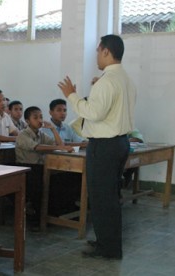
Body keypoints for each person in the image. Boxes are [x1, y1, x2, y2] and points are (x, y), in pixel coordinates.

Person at [58, 34, 136, 260]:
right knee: (110, 196)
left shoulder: (107, 82)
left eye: (97, 51)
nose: (96, 56)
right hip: (120, 143)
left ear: (106, 52)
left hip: (104, 146)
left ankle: (108, 249)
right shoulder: (125, 79)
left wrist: (71, 95)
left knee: (102, 198)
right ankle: (107, 241)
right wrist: (96, 89)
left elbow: (93, 113)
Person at [15, 106, 76, 221]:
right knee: (39, 181)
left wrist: (53, 129)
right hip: (26, 168)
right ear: (27, 121)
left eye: (41, 117)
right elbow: (37, 147)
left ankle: (60, 210)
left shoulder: (41, 134)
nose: (40, 120)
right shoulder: (23, 134)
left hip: (40, 167)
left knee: (65, 176)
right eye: (35, 118)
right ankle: (38, 217)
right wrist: (59, 147)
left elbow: (59, 144)